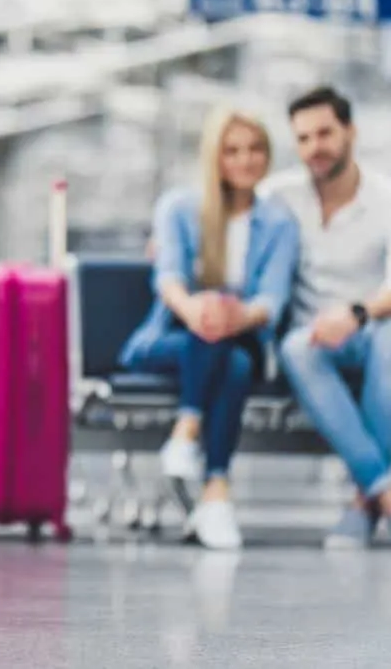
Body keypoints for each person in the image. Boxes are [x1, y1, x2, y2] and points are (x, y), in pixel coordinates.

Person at [262, 85, 391, 551]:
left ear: (350, 132)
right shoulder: (279, 196)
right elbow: (226, 218)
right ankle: (387, 496)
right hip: (315, 347)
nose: (314, 148)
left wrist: (356, 314)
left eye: (325, 133)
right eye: (303, 138)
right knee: (298, 347)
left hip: (382, 338)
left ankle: (363, 502)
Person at [119, 107, 299, 550]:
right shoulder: (179, 209)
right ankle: (215, 491)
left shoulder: (279, 223)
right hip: (170, 340)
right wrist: (196, 308)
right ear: (215, 156)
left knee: (234, 356)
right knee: (221, 346)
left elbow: (271, 301)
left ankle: (186, 437)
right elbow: (168, 278)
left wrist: (233, 315)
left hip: (243, 338)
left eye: (256, 149)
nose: (245, 159)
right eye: (232, 150)